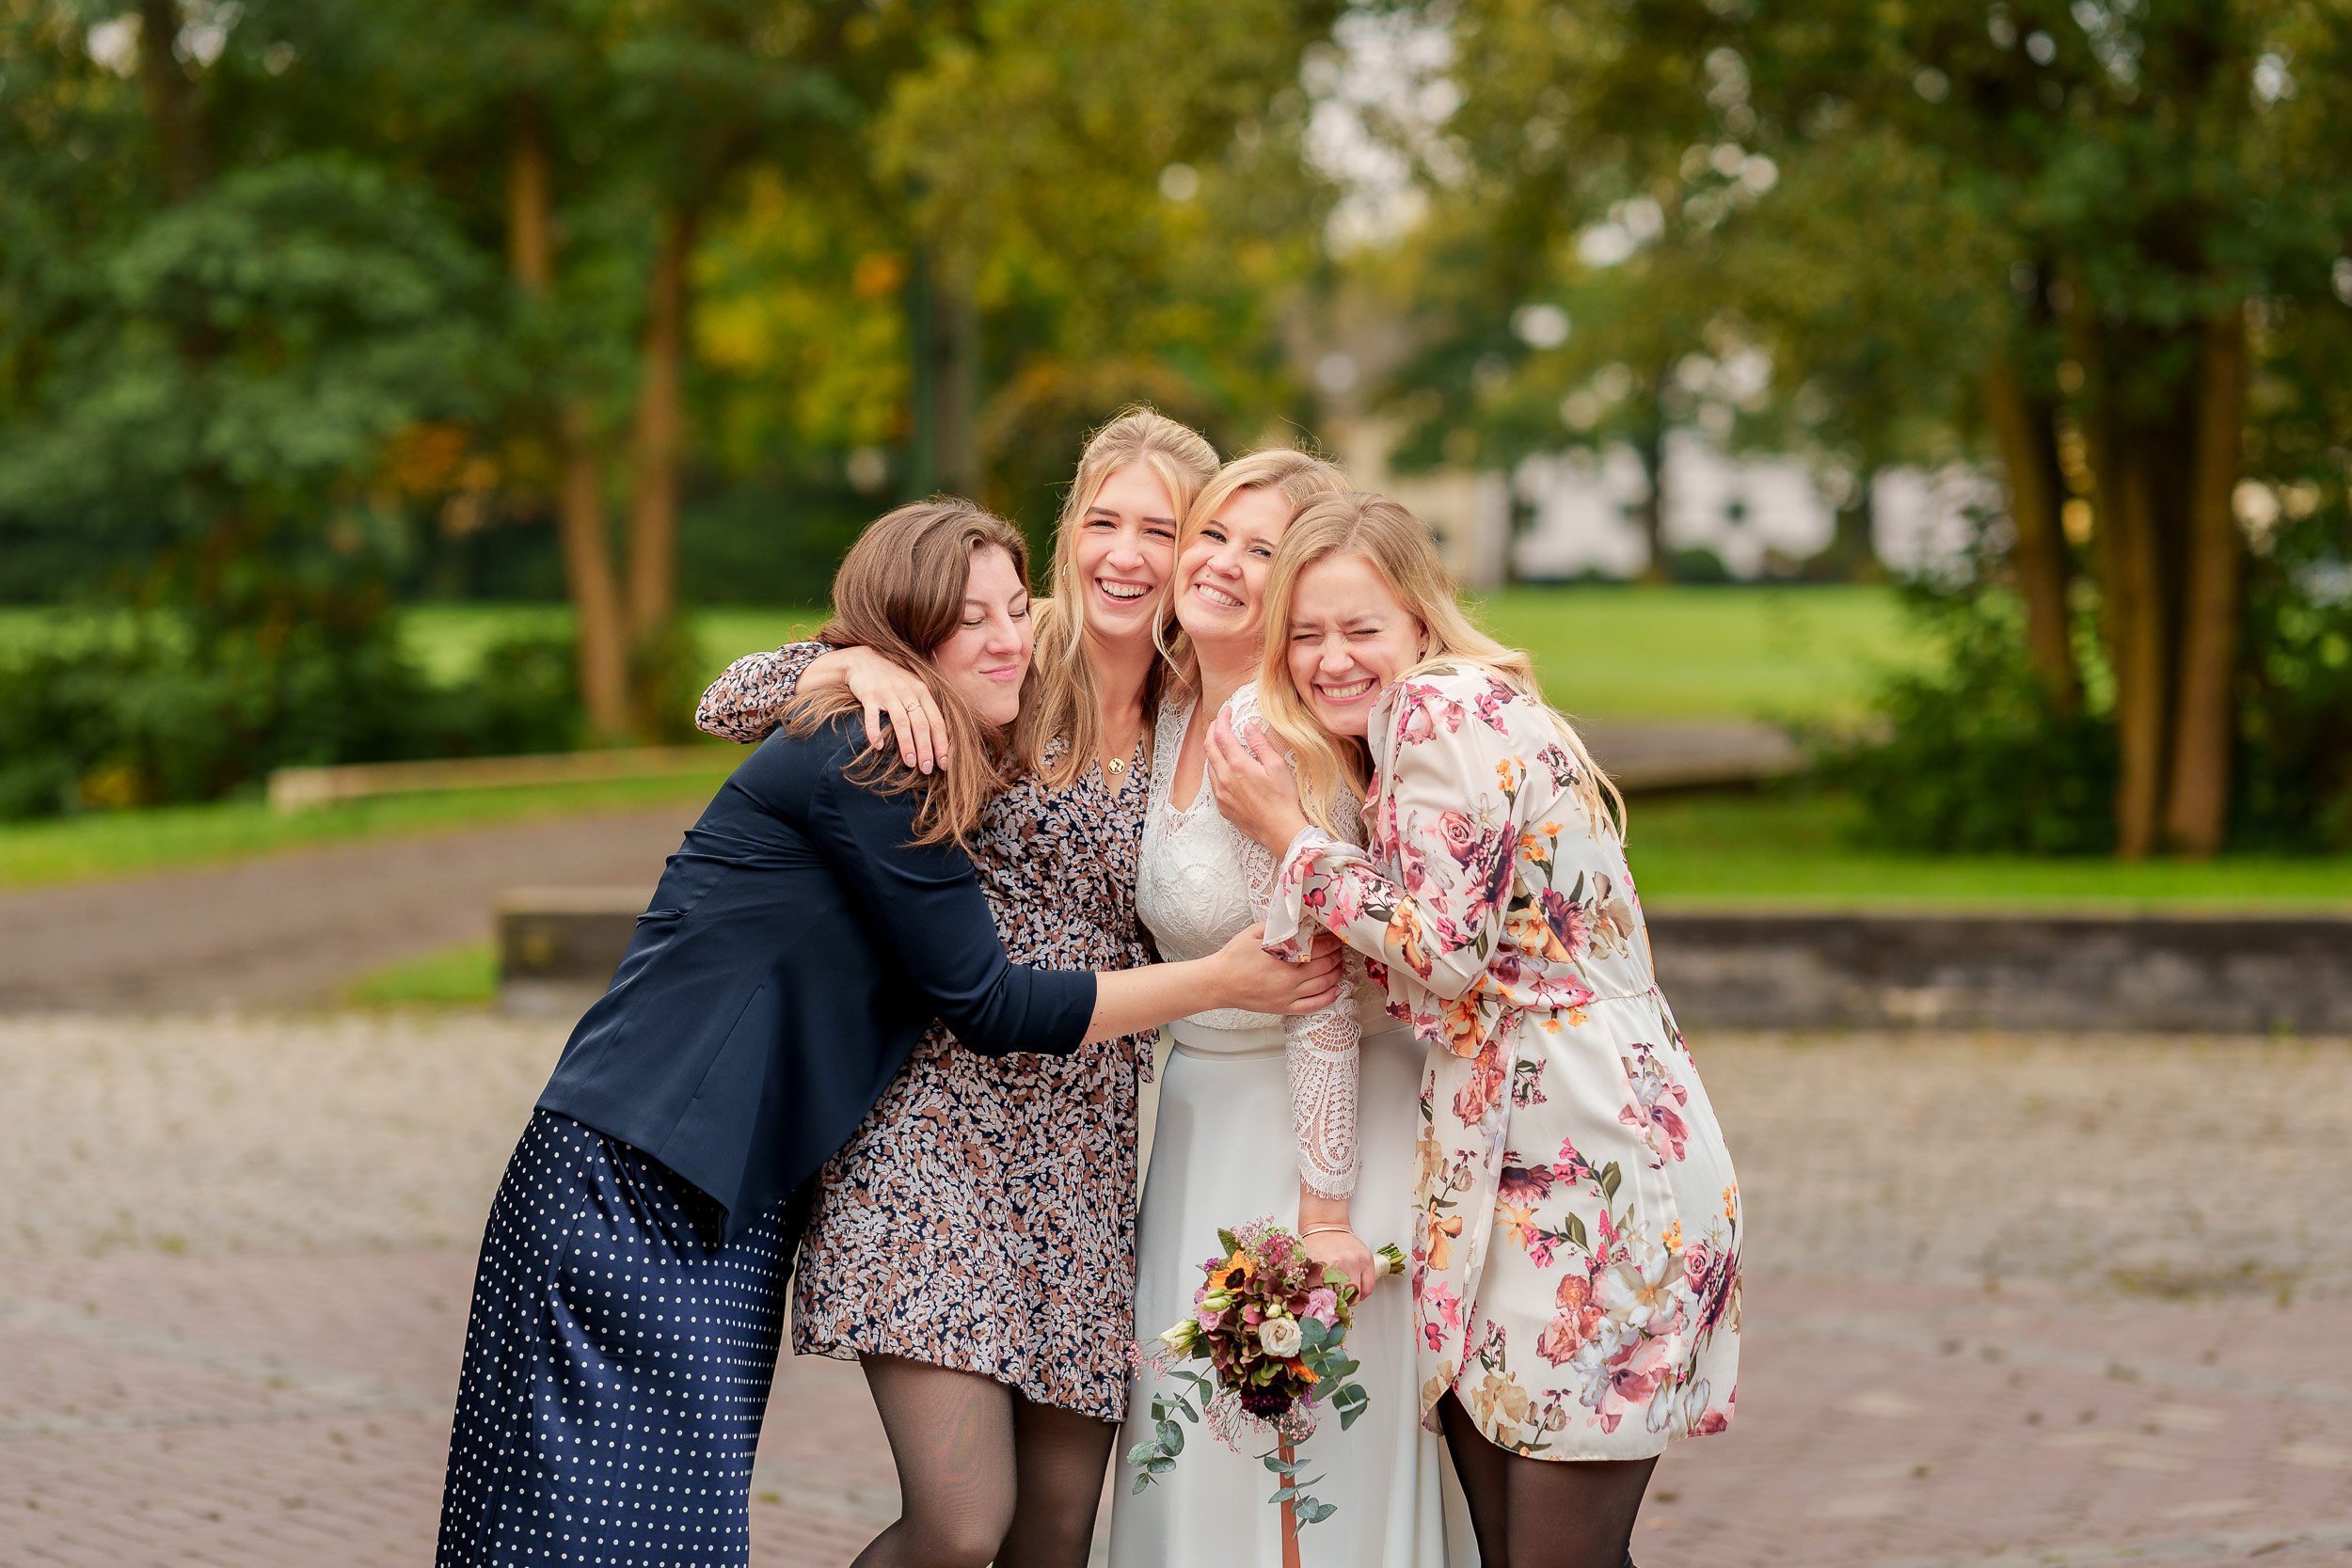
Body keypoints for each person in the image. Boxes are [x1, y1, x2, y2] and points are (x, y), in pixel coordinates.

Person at [437, 497, 1339, 1568]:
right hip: (633, 1163)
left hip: (740, 1177)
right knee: (603, 1523)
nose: (1012, 637)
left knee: (662, 1526)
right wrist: (1222, 977)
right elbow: (991, 1000)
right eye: (973, 619)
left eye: (1018, 609)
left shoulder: (996, 731)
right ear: (907, 637)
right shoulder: (877, 748)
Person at [691, 409, 1224, 1568]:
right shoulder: (1005, 655)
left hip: (1082, 1139)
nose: (1126, 554)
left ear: (1202, 555)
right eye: (1102, 520)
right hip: (934, 1117)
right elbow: (731, 699)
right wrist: (849, 657)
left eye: (1162, 529)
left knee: (1051, 1534)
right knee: (957, 1524)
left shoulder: (1202, 715)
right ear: (1068, 530)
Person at [1208, 492, 1741, 1568]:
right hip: (1523, 1161)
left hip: (1591, 1167)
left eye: (1360, 627)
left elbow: (1441, 948)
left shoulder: (1440, 710)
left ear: (1419, 619)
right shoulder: (1433, 718)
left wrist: (1288, 836)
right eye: (1304, 633)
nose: (1330, 658)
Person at [1111, 450, 1470, 1567]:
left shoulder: (1284, 736)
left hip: (1307, 1126)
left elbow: (1317, 997)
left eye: (1262, 550)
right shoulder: (1170, 703)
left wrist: (1321, 1215)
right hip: (1199, 1111)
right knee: (1192, 1436)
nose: (1219, 563)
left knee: (1295, 1447)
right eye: (1210, 532)